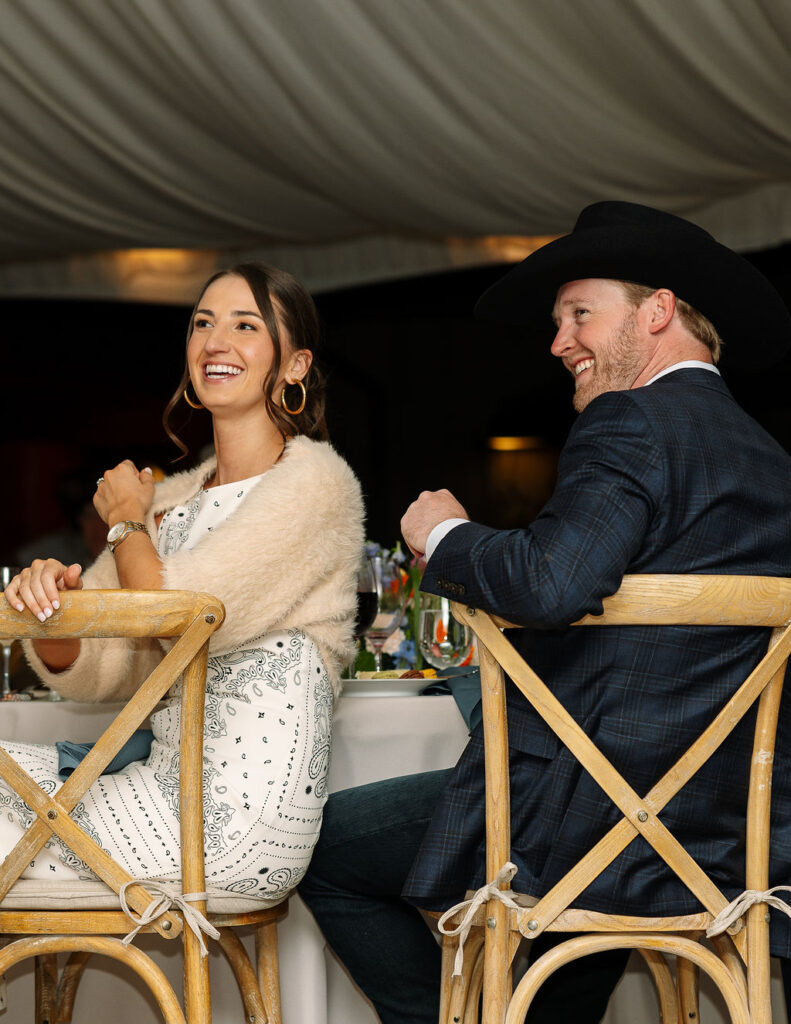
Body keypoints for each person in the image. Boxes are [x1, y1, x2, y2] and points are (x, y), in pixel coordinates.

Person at [299, 202, 791, 1024]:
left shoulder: (628, 421)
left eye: (579, 314)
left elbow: (553, 582)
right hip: (732, 827)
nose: (558, 341)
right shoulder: (769, 459)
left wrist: (443, 534)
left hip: (594, 817)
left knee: (321, 854)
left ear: (658, 311)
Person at [2, 262, 364, 902]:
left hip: (234, 818)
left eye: (245, 326)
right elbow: (101, 672)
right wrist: (51, 607)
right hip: (157, 782)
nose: (215, 343)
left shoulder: (315, 484)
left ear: (295, 365)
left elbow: (179, 626)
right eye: (202, 324)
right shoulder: (169, 503)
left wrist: (122, 522)